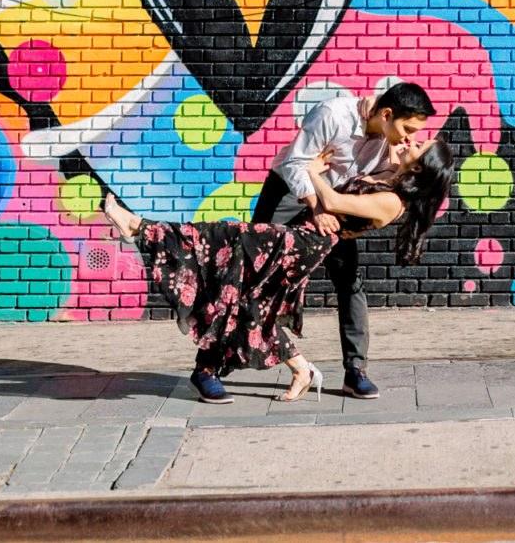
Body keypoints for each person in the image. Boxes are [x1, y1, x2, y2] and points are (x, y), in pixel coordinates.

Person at [101, 137, 457, 403]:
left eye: (420, 144)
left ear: (419, 169)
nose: (412, 139)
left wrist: (313, 172)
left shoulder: (391, 201)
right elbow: (392, 150)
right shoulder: (392, 176)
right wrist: (398, 151)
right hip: (297, 236)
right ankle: (301, 370)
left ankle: (139, 227)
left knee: (223, 236)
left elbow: (333, 202)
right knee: (248, 301)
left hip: (300, 244)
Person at [200, 81, 436, 403]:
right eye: (407, 129)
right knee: (251, 279)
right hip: (290, 195)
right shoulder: (332, 114)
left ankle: (356, 371)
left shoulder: (390, 143)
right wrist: (319, 206)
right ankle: (207, 369)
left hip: (334, 208)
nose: (409, 138)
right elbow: (296, 163)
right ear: (386, 114)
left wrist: (355, 220)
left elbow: (374, 191)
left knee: (350, 282)